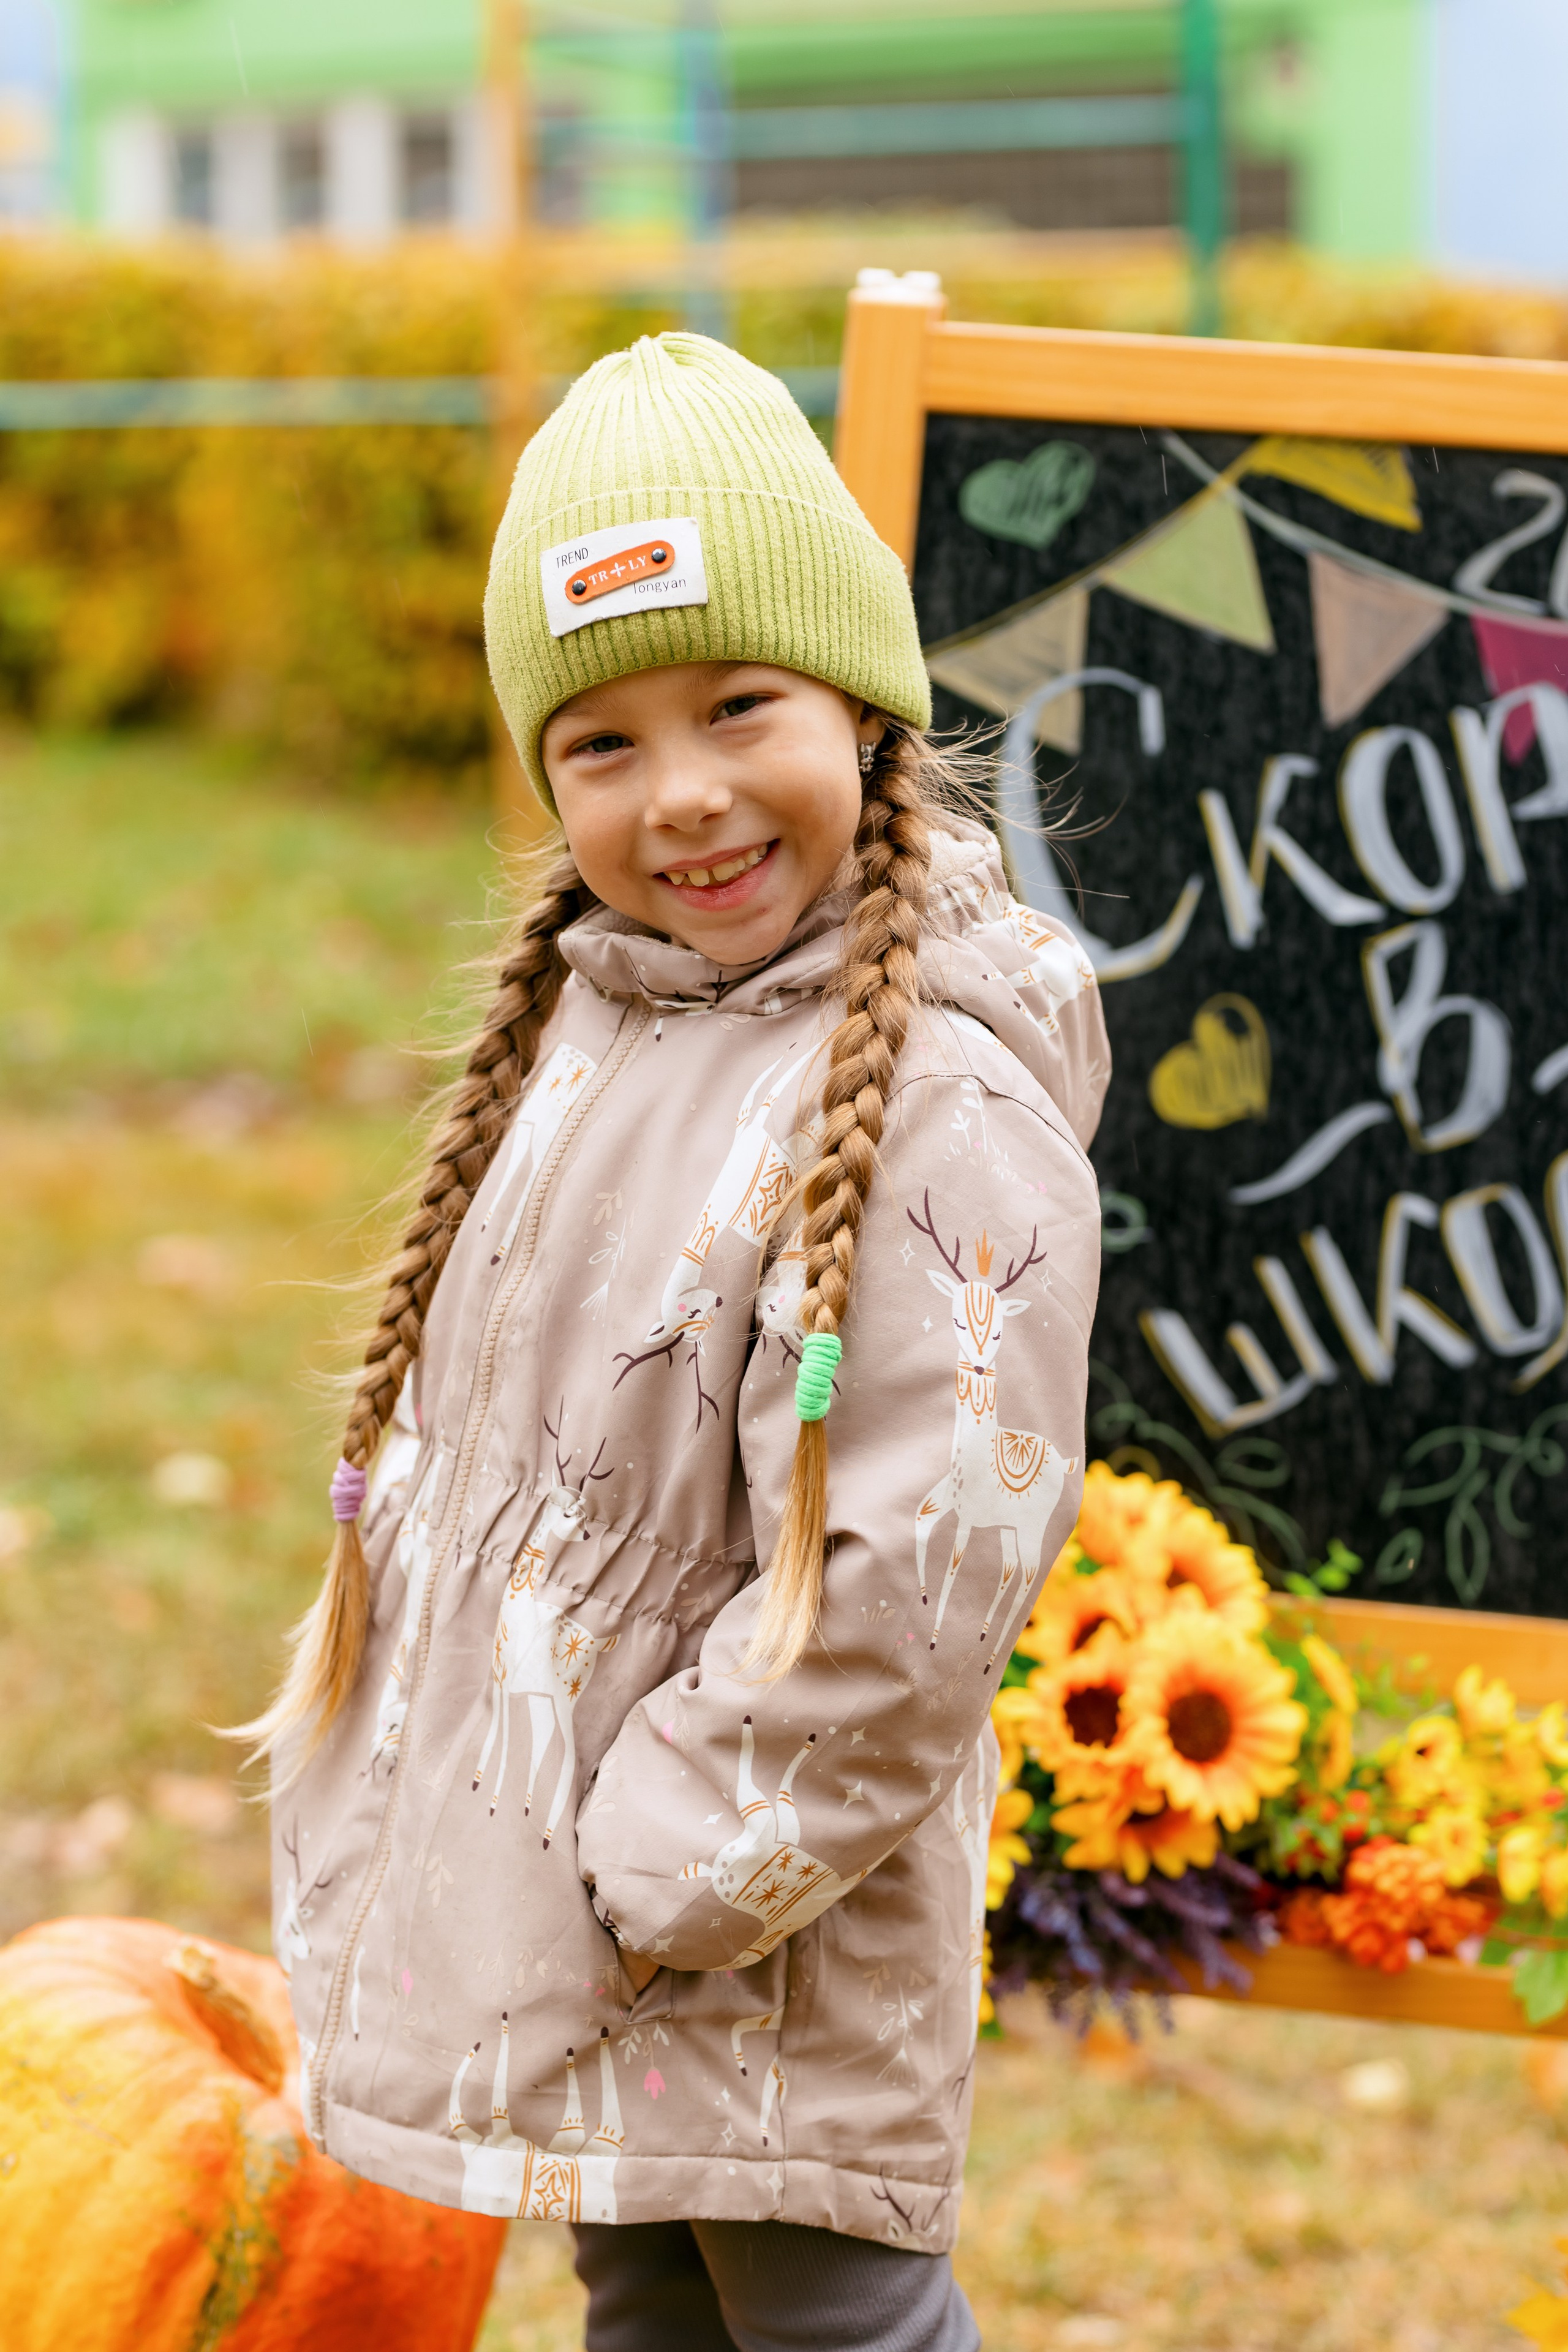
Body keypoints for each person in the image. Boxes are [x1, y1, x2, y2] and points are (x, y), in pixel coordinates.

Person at [244, 332, 1109, 2352]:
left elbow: (927, 1566)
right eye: (602, 742)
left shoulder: (934, 1117)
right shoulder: (609, 1022)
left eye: (740, 705)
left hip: (751, 1904)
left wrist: (686, 1858)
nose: (687, 794)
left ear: (868, 714)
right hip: (598, 1898)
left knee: (831, 2318)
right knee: (641, 2292)